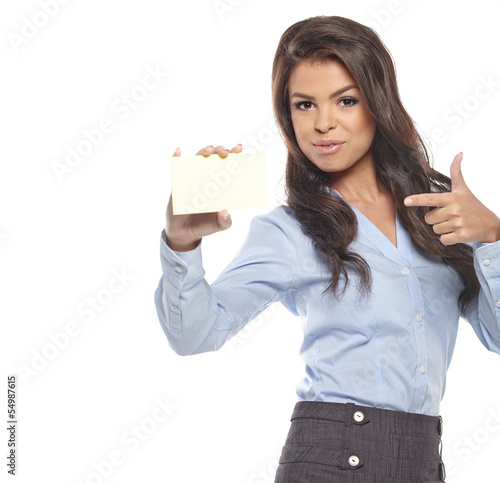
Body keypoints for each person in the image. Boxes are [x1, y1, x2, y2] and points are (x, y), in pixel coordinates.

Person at [154, 15, 500, 482]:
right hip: (331, 461)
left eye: (345, 100)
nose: (322, 123)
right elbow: (195, 335)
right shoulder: (290, 231)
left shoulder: (435, 215)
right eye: (303, 105)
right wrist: (182, 241)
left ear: (378, 102)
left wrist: (492, 238)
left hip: (422, 461)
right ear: (287, 115)